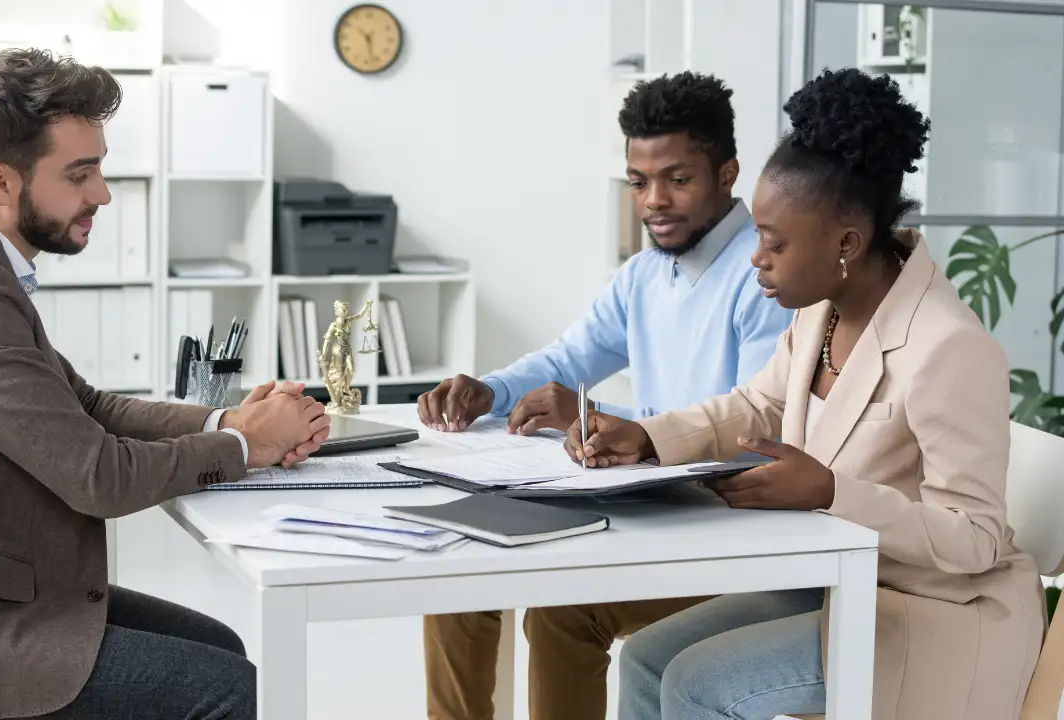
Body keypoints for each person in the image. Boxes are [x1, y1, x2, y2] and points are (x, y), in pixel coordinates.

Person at [0, 48, 330, 720]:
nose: (103, 194)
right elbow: (99, 478)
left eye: (100, 168)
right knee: (228, 686)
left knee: (223, 648)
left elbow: (85, 406)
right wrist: (249, 450)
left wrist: (229, 424)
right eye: (79, 174)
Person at [565, 68, 1046, 720]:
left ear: (845, 244)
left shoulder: (948, 348)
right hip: (838, 585)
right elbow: (755, 405)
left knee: (696, 685)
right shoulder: (819, 312)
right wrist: (646, 437)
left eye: (773, 241)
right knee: (650, 660)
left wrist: (830, 491)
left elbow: (976, 539)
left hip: (937, 613)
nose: (755, 257)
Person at [417, 72, 795, 720]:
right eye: (639, 182)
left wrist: (598, 416)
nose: (654, 201)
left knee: (564, 613)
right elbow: (569, 358)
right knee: (459, 573)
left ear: (727, 172)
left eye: (677, 179)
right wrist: (491, 389)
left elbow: (751, 432)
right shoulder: (647, 273)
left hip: (719, 531)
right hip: (644, 506)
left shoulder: (767, 275)